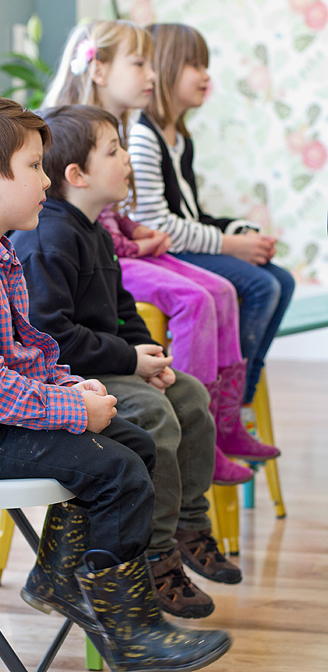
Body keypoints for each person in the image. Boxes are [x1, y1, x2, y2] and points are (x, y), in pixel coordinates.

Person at [0, 90, 231, 672]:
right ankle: (129, 629)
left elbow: (25, 356)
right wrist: (74, 413)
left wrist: (73, 389)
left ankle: (60, 575)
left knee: (135, 441)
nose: (47, 182)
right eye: (33, 167)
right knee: (117, 469)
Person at [11, 104, 244, 628]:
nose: (126, 161)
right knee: (153, 413)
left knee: (188, 395)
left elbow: (121, 311)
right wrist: (129, 362)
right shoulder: (49, 237)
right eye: (113, 151)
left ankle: (188, 525)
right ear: (78, 175)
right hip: (67, 373)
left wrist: (151, 359)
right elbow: (51, 335)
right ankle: (154, 556)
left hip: (107, 361)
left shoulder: (92, 230)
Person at [42, 19, 280, 482]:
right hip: (109, 258)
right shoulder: (75, 132)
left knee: (225, 290)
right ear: (100, 69)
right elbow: (87, 228)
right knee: (197, 298)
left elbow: (111, 219)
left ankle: (218, 419)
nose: (153, 74)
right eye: (140, 63)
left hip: (116, 252)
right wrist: (134, 240)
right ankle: (199, 427)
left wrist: (135, 234)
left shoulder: (126, 130)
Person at [128, 23, 295, 424]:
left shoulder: (179, 140)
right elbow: (157, 222)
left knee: (283, 280)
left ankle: (240, 395)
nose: (206, 76)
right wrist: (229, 245)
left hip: (184, 241)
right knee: (260, 284)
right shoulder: (143, 137)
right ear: (166, 68)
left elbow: (190, 213)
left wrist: (238, 230)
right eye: (194, 65)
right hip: (164, 251)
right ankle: (226, 409)